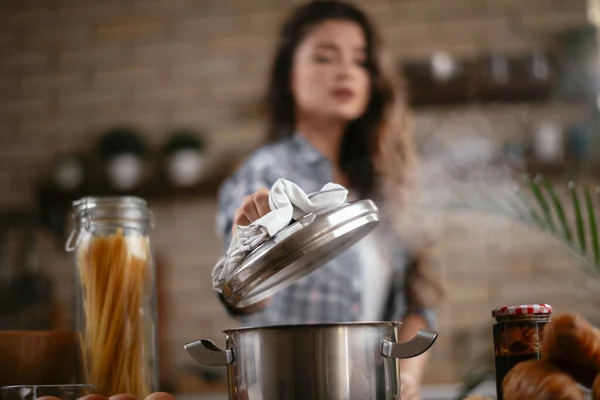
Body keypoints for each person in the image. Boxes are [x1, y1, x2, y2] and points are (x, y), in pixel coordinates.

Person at [216, 1, 443, 398]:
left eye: (359, 61)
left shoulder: (387, 178)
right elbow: (244, 301)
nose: (345, 71)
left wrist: (404, 377)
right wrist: (249, 262)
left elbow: (418, 302)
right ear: (288, 77)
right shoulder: (266, 173)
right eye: (324, 57)